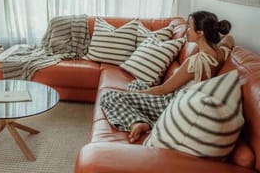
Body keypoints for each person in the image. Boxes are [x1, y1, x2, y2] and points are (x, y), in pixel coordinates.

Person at [98, 11, 235, 143]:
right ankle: (139, 113)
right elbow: (229, 39)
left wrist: (134, 94)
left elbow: (162, 90)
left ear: (200, 33)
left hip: (171, 103)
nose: (186, 29)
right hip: (178, 98)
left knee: (109, 96)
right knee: (137, 83)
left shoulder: (194, 63)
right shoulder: (221, 53)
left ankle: (138, 122)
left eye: (189, 26)